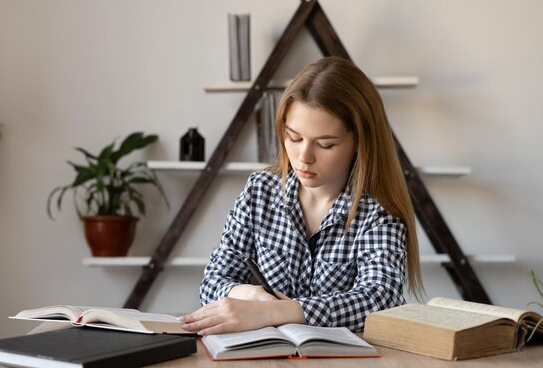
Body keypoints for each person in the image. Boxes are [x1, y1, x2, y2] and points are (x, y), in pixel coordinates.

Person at [180, 56, 423, 336]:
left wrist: (284, 311)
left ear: (359, 141)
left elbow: (381, 298)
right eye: (294, 138)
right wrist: (251, 297)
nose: (304, 157)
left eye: (325, 144)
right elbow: (213, 282)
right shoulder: (260, 192)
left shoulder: (377, 211)